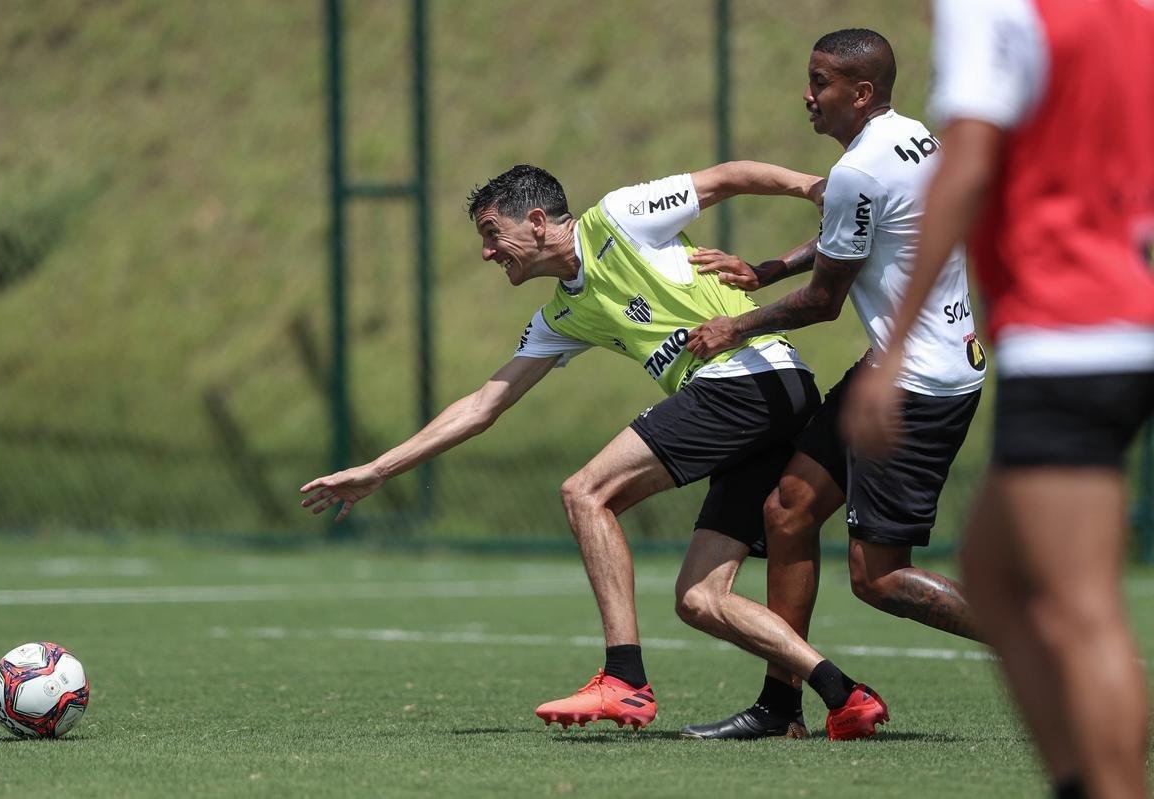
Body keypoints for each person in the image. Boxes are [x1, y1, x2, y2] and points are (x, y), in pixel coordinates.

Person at [300, 162, 888, 740]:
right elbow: (483, 405)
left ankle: (624, 678)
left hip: (745, 379)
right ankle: (845, 695)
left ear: (535, 221)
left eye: (490, 233)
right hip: (770, 396)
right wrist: (377, 470)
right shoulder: (561, 313)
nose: (486, 253)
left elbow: (726, 176)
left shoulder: (620, 217)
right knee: (700, 600)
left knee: (585, 491)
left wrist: (813, 188)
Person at [841, 2, 1154, 797]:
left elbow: (970, 162)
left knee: (1080, 607)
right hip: (1121, 309)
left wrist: (897, 343)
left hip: (1071, 329)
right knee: (993, 572)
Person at [679, 28, 985, 740]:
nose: (807, 96)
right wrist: (768, 268)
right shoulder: (913, 139)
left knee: (878, 577)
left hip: (918, 385)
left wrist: (738, 324)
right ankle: (780, 708)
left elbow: (826, 301)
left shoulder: (859, 171)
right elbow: (854, 232)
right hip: (909, 366)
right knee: (786, 510)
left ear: (862, 92)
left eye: (820, 83)